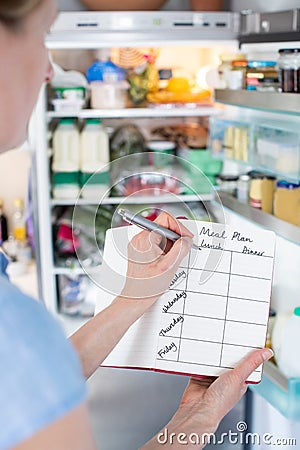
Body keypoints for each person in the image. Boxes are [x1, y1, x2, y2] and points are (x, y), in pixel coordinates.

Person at [0, 1, 273, 449]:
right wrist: (199, 418)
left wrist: (134, 298)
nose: (49, 71)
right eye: (42, 36)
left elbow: (31, 381)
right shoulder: (15, 322)